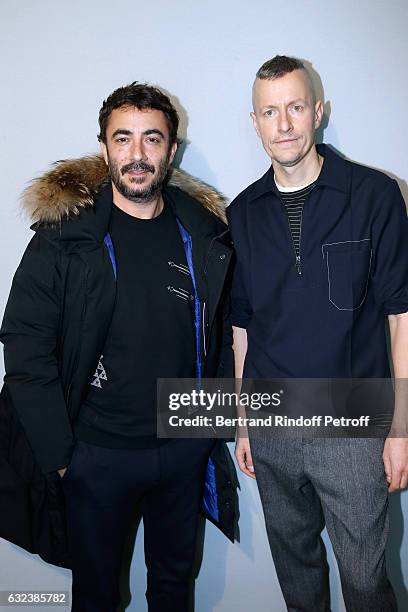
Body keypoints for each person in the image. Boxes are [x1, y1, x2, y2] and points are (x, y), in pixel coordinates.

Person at [0, 83, 237, 612]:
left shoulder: (203, 235)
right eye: (123, 138)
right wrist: (61, 457)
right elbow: (24, 344)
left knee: (175, 589)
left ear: (171, 151)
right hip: (96, 455)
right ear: (104, 148)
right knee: (98, 595)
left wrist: (208, 432)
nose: (137, 154)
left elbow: (221, 332)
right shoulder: (66, 238)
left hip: (181, 449)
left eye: (151, 139)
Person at [228, 55, 408, 611]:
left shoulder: (376, 195)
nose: (283, 124)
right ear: (254, 121)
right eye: (269, 111)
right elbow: (242, 328)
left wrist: (400, 429)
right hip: (273, 422)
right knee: (298, 577)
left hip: (353, 423)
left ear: (318, 112)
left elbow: (402, 317)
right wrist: (241, 423)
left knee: (365, 581)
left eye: (296, 107)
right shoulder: (240, 214)